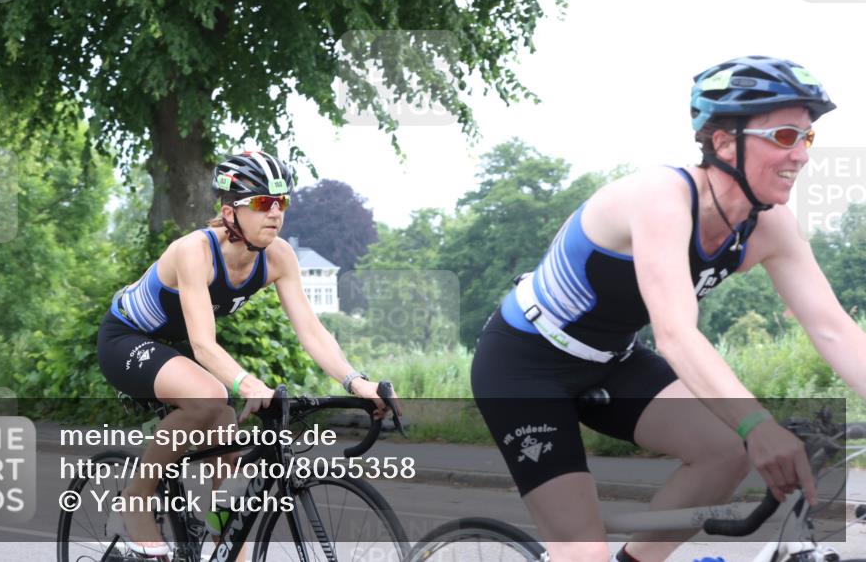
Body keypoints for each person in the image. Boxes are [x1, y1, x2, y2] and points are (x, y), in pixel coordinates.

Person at [470, 56, 866, 562]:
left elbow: (834, 329)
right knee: (582, 553)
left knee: (725, 453)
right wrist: (760, 425)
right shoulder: (662, 196)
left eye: (806, 138)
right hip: (524, 366)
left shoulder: (770, 227)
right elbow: (676, 335)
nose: (801, 156)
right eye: (785, 137)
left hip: (611, 360)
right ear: (724, 142)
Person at [97, 150, 391, 557]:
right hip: (126, 339)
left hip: (173, 348)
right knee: (212, 397)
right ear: (229, 210)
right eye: (261, 203)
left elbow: (310, 329)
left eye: (281, 202)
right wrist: (248, 382)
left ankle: (220, 541)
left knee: (227, 437)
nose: (275, 213)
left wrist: (356, 382)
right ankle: (137, 497)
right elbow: (203, 345)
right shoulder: (194, 251)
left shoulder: (279, 257)